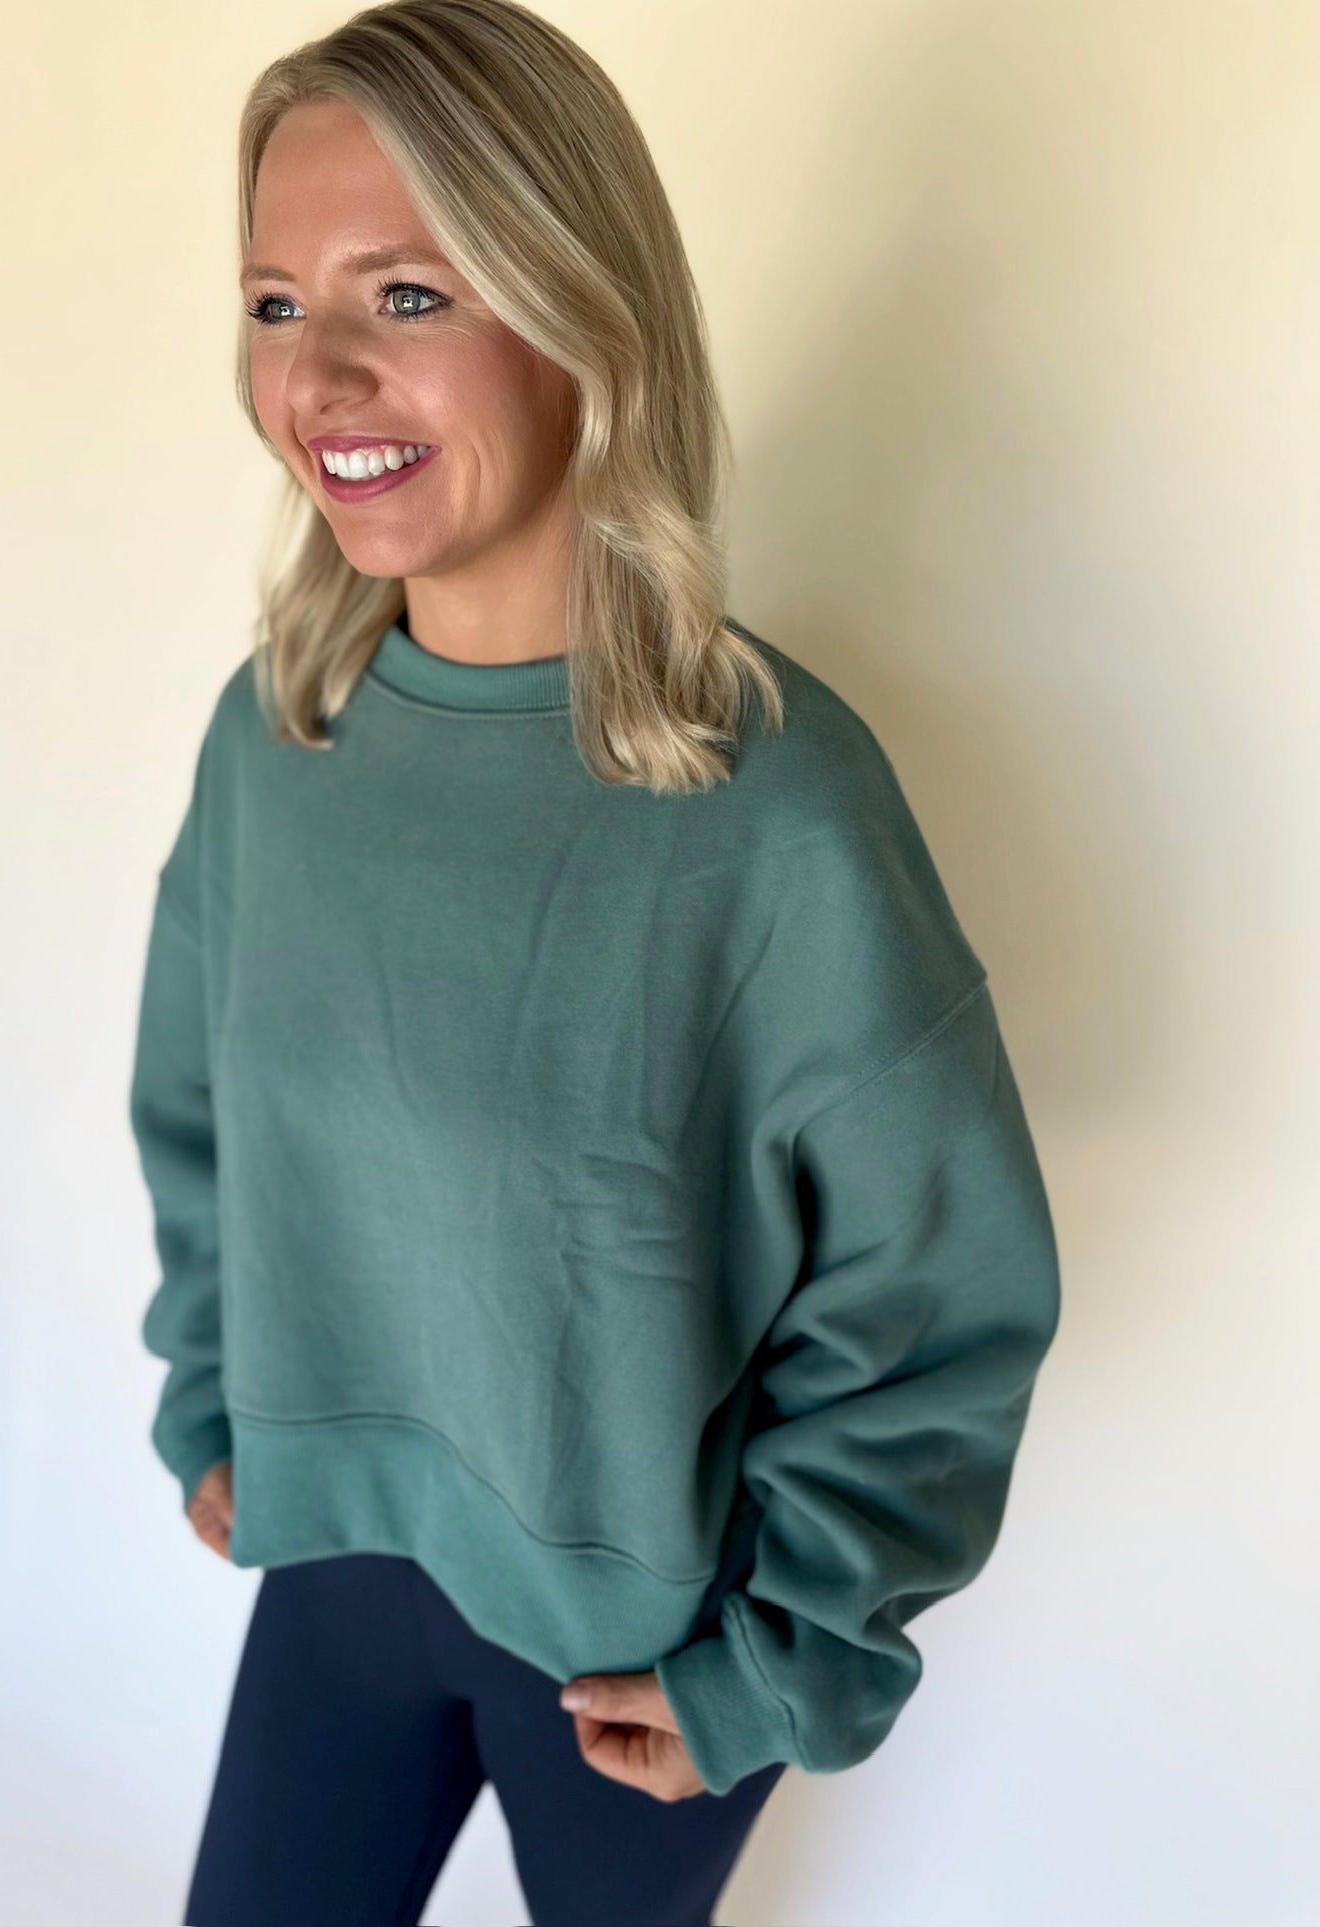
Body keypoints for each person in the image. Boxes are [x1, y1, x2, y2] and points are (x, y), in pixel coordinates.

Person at [127, 3, 1063, 1923]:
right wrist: (215, 1392)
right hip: (333, 1581)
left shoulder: (773, 814)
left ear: (578, 309)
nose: (320, 377)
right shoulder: (280, 737)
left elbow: (936, 1297)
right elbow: (202, 1104)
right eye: (276, 302)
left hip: (630, 1658)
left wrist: (778, 1655)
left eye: (407, 295)